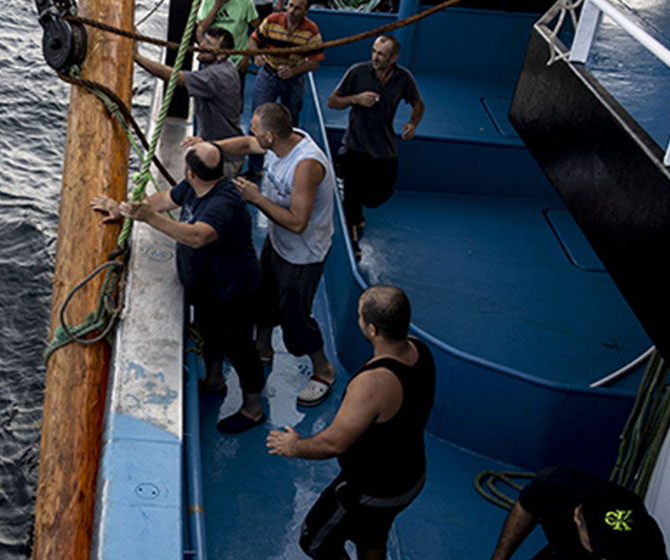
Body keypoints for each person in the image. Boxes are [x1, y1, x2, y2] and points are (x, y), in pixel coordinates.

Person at [91, 142, 266, 434]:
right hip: (207, 286)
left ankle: (253, 408)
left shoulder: (223, 204)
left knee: (240, 348)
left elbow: (198, 236)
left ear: (193, 172)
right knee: (209, 333)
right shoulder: (194, 186)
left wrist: (151, 219)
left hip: (234, 290)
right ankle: (213, 380)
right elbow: (164, 199)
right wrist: (126, 210)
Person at [266, 285, 436, 560]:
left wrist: (295, 445)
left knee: (315, 541)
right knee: (373, 535)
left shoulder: (372, 384)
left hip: (372, 489)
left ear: (372, 330)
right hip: (411, 476)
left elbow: (335, 442)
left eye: (359, 315)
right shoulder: (420, 350)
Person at [201, 102, 338, 405]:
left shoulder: (306, 166)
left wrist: (256, 198)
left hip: (302, 255)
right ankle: (262, 348)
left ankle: (324, 370)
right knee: (264, 299)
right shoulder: (282, 141)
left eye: (256, 130)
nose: (251, 135)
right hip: (277, 243)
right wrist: (211, 147)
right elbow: (248, 144)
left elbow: (298, 223)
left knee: (295, 318)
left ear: (271, 137)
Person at [326, 35, 425, 260]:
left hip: (384, 147)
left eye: (381, 54)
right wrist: (356, 99)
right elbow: (333, 101)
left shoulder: (403, 78)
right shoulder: (357, 72)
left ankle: (355, 207)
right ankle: (352, 240)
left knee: (380, 194)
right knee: (352, 189)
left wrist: (413, 123)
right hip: (355, 144)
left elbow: (418, 104)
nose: (375, 57)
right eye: (374, 51)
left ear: (393, 58)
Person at [488, 466, 668, 560]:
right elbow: (526, 505)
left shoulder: (648, 540)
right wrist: (500, 558)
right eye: (597, 545)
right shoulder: (554, 485)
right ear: (577, 516)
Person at [135, 27, 242, 177]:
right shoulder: (224, 65)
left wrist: (138, 58)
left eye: (209, 44)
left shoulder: (216, 76)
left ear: (221, 55)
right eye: (204, 39)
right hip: (216, 146)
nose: (202, 45)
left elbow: (176, 78)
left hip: (224, 158)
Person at [245, 0, 324, 180]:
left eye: (298, 8)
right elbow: (254, 39)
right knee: (258, 119)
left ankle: (287, 166)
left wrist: (293, 71)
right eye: (290, 6)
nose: (292, 11)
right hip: (269, 74)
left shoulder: (311, 31)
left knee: (290, 123)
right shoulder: (272, 20)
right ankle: (255, 166)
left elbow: (314, 62)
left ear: (305, 11)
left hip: (293, 79)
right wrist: (256, 54)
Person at [196, 0, 259, 75]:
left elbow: (257, 29)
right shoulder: (209, 0)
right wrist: (216, 7)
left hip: (237, 57)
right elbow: (202, 28)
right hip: (214, 56)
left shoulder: (245, 1)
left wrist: (246, 55)